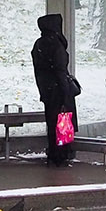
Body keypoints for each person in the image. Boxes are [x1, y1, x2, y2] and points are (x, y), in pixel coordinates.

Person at [31, 13, 77, 167]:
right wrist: (66, 94)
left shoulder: (39, 44)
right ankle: (61, 154)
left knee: (52, 123)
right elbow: (60, 71)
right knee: (63, 122)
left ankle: (54, 152)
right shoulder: (56, 45)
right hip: (59, 89)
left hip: (47, 89)